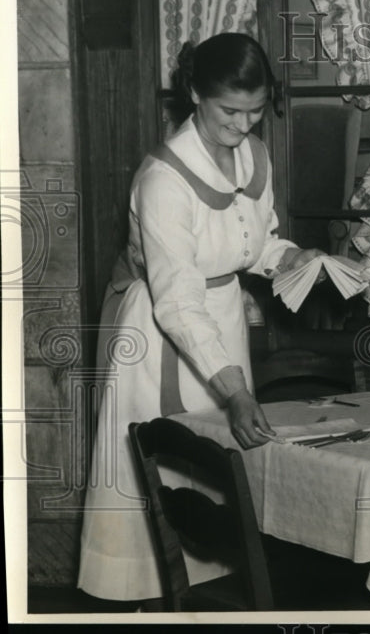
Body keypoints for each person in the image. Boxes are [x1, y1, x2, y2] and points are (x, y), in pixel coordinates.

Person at [78, 32, 327, 603]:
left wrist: (291, 256)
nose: (243, 126)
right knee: (156, 483)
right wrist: (236, 390)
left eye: (256, 109)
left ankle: (207, 602)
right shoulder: (163, 178)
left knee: (216, 481)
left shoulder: (254, 155)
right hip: (161, 335)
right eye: (229, 112)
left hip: (221, 325)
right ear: (193, 93)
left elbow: (252, 244)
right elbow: (179, 301)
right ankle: (143, 604)